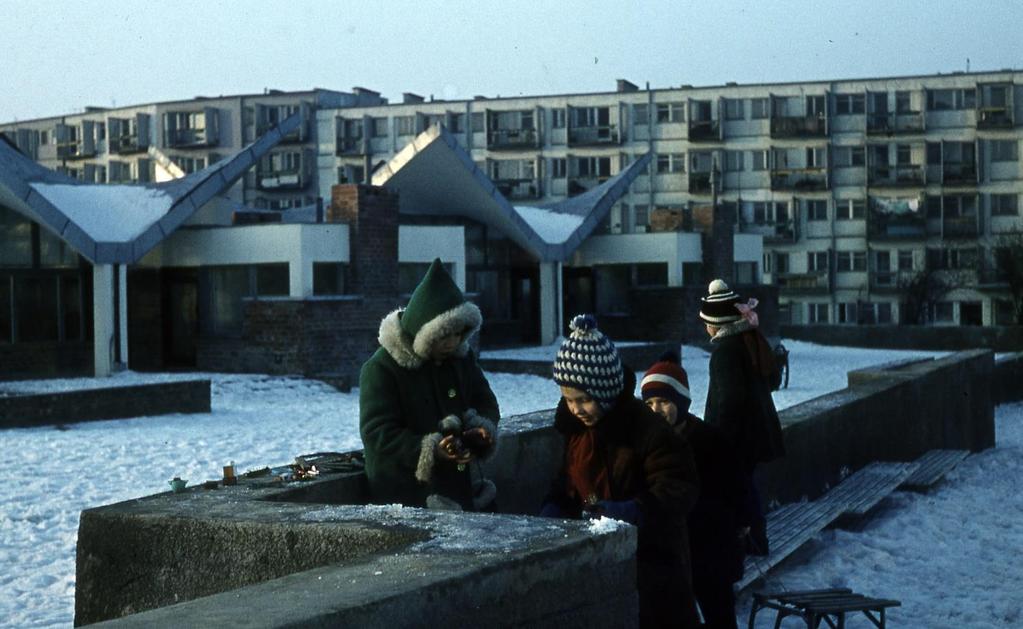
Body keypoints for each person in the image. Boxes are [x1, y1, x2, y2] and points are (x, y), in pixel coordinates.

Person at [540, 314, 701, 628]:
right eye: (568, 400)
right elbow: (567, 478)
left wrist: (634, 511)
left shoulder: (648, 431)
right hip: (597, 561)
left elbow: (679, 487)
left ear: (606, 391)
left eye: (584, 400)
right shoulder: (577, 432)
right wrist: (556, 502)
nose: (575, 409)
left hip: (652, 564)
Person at [359, 258, 500, 511]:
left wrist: (480, 432)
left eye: (459, 334)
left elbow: (485, 401)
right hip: (407, 501)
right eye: (444, 336)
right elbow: (377, 434)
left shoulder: (460, 358)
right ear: (423, 332)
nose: (453, 343)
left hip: (458, 491)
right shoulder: (381, 369)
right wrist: (430, 449)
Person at [642, 351, 746, 629]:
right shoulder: (645, 444)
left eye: (664, 402)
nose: (656, 410)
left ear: (681, 402)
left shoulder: (710, 441)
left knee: (719, 614)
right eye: (649, 403)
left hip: (709, 548)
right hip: (670, 551)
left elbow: (736, 491)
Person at [699, 279, 785, 556]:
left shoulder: (724, 353)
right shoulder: (749, 341)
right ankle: (755, 541)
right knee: (746, 489)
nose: (705, 327)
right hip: (756, 433)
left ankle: (752, 543)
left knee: (739, 492)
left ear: (718, 322)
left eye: (707, 321)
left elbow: (729, 401)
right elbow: (771, 380)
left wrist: (716, 441)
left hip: (739, 439)